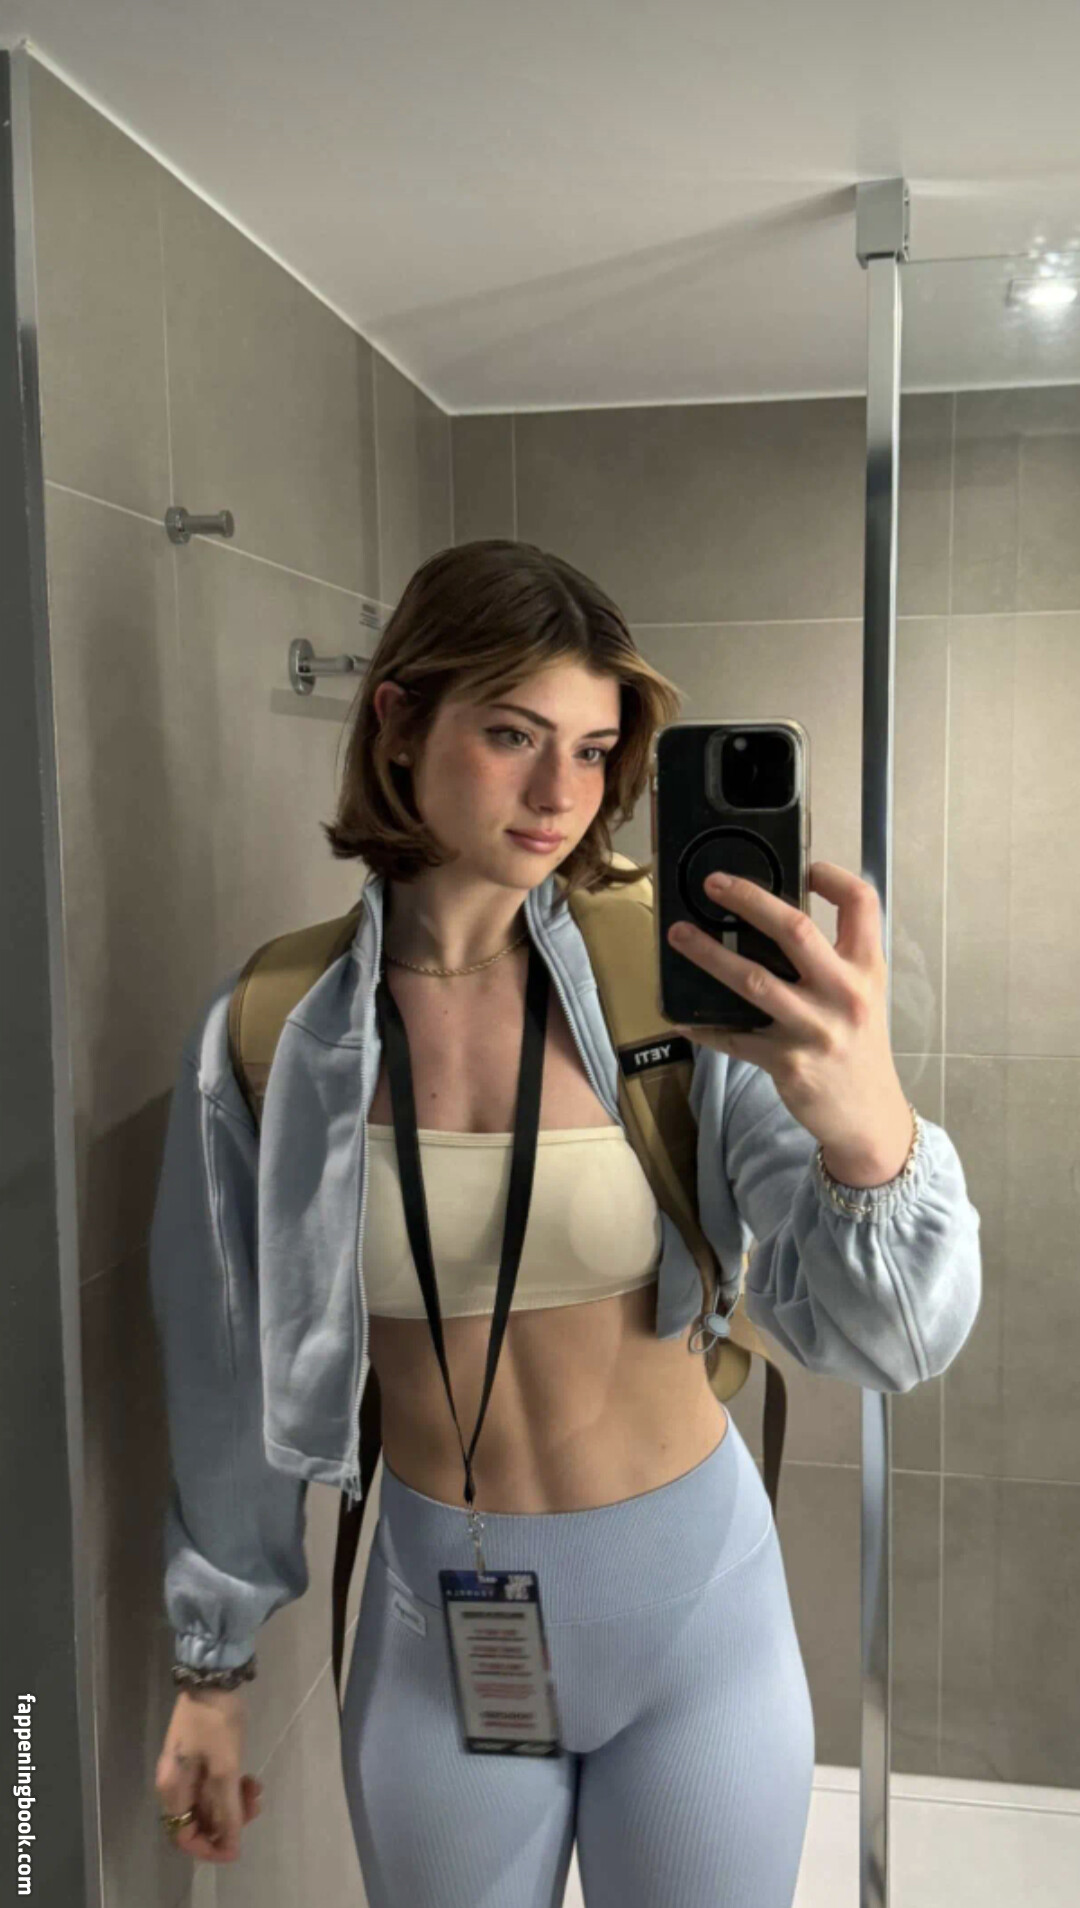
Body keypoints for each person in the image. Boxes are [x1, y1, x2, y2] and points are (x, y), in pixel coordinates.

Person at [151, 540, 981, 1903]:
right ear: (398, 720)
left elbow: (889, 1340)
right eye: (513, 735)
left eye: (594, 751)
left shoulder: (679, 983)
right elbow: (222, 1370)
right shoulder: (273, 1031)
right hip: (440, 1626)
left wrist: (865, 1122)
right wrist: (213, 1669)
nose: (560, 794)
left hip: (696, 1624)